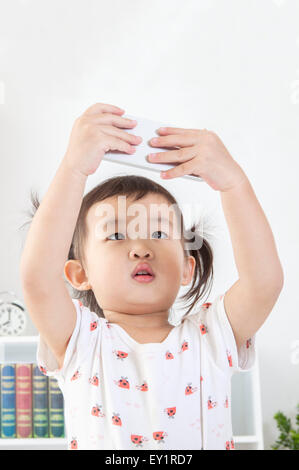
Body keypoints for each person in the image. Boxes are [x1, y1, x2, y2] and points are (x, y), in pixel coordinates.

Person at [19, 102, 284, 450]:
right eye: (116, 235)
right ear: (80, 273)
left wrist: (233, 185)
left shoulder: (211, 337)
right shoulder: (82, 342)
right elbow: (38, 278)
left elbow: (263, 283)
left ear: (188, 267)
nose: (141, 248)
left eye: (159, 234)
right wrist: (73, 169)